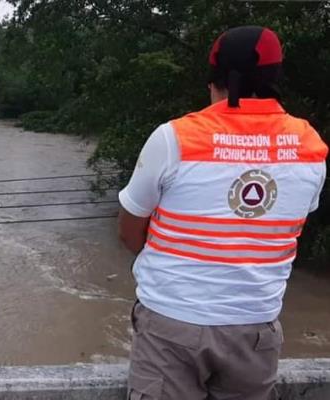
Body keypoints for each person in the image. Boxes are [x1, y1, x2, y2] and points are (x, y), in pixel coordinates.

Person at [118, 26, 328, 399]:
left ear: (215, 81)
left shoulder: (174, 137)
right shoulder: (310, 146)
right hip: (255, 330)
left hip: (171, 326)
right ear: (275, 78)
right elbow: (282, 230)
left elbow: (131, 228)